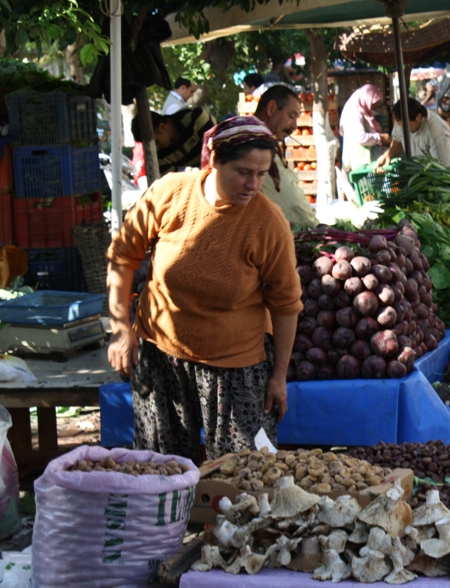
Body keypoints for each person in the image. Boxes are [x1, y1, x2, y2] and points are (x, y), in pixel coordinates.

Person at [106, 115, 303, 462]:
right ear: (214, 161)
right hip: (161, 354)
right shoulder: (169, 193)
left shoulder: (269, 224)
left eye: (261, 174)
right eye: (243, 172)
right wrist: (121, 329)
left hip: (237, 367)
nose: (253, 184)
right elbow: (122, 257)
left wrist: (279, 376)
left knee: (245, 475)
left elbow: (286, 305)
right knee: (160, 469)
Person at [253, 84, 318, 227]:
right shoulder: (257, 143)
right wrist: (317, 227)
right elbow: (295, 207)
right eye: (291, 116)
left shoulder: (256, 137)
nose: (294, 126)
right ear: (271, 108)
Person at [375, 97, 450, 170]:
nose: (402, 129)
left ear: (418, 117)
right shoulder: (402, 121)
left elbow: (445, 170)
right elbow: (398, 141)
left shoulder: (436, 132)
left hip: (446, 181)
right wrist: (387, 156)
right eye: (399, 125)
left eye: (405, 126)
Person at [131, 107, 216, 176]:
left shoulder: (195, 118)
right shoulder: (159, 157)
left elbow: (219, 151)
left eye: (156, 141)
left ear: (162, 127)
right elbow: (174, 184)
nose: (156, 148)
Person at [338, 84, 390, 173]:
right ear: (366, 98)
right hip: (358, 163)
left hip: (362, 162)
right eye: (372, 102)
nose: (373, 105)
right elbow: (360, 137)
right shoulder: (354, 113)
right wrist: (380, 137)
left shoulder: (362, 110)